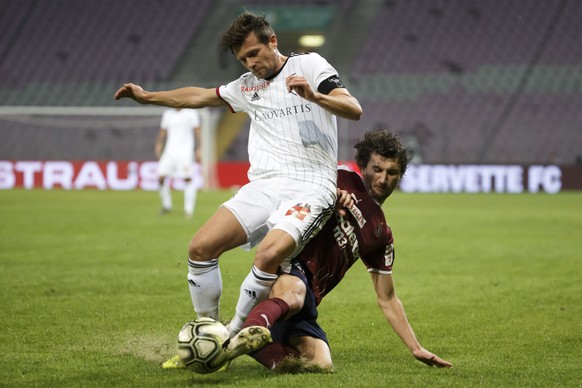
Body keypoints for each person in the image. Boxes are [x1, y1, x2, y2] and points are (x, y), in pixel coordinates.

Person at [114, 11, 362, 363]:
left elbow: (353, 108)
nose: (250, 64)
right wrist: (148, 97)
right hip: (264, 185)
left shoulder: (309, 65)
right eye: (243, 59)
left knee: (267, 255)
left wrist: (314, 95)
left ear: (272, 41)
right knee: (200, 247)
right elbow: (198, 97)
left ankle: (228, 340)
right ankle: (208, 334)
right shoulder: (247, 86)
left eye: (253, 54)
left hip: (310, 186)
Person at [226, 129, 452, 371]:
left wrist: (415, 348)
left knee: (320, 364)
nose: (383, 179)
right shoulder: (340, 178)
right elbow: (293, 187)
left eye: (392, 172)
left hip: (311, 295)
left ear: (400, 176)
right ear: (363, 166)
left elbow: (387, 298)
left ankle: (247, 344)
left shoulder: (381, 233)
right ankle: (245, 328)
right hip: (291, 264)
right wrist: (328, 193)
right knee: (294, 293)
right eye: (377, 169)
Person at [154, 108, 201, 218]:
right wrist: (159, 144)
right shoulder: (168, 113)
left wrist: (199, 147)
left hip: (185, 151)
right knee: (160, 177)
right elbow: (163, 130)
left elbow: (197, 131)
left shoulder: (191, 113)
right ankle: (167, 206)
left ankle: (188, 210)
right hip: (169, 151)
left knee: (187, 178)